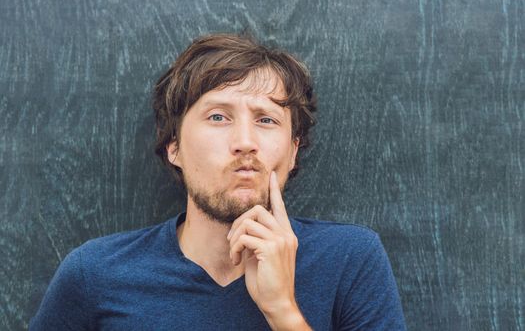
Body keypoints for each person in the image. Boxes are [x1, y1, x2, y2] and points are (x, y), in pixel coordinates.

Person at [30, 33, 407, 330]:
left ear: (293, 152)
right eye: (218, 117)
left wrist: (283, 311)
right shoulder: (95, 273)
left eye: (266, 120)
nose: (245, 142)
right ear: (173, 146)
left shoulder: (350, 260)